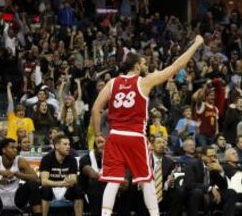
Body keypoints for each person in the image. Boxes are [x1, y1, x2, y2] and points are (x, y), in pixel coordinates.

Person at [91, 35, 204, 216]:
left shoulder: (112, 83)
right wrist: (196, 44)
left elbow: (96, 109)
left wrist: (98, 135)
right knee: (146, 181)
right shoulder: (145, 81)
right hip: (135, 137)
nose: (146, 66)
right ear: (136, 66)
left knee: (112, 181)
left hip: (114, 137)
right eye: (143, 63)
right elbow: (175, 66)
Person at [0, 138, 42, 216]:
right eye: (12, 147)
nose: (15, 150)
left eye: (16, 148)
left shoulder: (20, 161)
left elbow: (36, 178)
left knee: (32, 183)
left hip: (16, 199)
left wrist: (16, 174)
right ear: (4, 150)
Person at [137, 136, 184, 216]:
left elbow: (173, 183)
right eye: (158, 142)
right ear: (151, 146)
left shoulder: (170, 162)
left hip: (163, 194)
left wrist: (168, 183)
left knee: (179, 192)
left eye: (163, 143)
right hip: (145, 191)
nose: (162, 145)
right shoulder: (144, 160)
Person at [184, 145, 236, 216]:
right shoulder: (192, 164)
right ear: (203, 156)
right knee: (197, 192)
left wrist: (221, 171)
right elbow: (189, 184)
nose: (213, 158)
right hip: (196, 194)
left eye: (214, 156)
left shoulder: (214, 166)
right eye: (210, 156)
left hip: (210, 194)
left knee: (231, 192)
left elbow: (224, 186)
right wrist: (210, 188)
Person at [39, 134, 83, 216]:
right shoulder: (47, 158)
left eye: (69, 144)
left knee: (78, 189)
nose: (68, 147)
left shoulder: (72, 160)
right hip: (51, 188)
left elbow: (73, 179)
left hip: (66, 188)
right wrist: (60, 183)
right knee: (45, 190)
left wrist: (71, 181)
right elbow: (44, 181)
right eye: (65, 144)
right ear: (57, 146)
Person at [79, 133, 106, 216]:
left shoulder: (110, 157)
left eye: (105, 148)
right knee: (95, 183)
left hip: (104, 188)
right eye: (101, 147)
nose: (103, 149)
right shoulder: (85, 158)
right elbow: (92, 175)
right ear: (94, 148)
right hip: (88, 191)